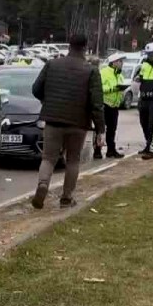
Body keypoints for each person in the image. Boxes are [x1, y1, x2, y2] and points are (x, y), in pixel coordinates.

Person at [30, 33, 105, 210]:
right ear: (85, 47)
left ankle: (42, 185)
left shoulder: (52, 64)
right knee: (73, 160)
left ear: (69, 45)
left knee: (48, 158)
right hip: (78, 123)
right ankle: (66, 197)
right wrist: (100, 129)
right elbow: (97, 103)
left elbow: (35, 89)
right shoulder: (91, 71)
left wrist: (47, 101)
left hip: (53, 120)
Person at [96, 52, 126, 159]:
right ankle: (97, 150)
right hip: (104, 104)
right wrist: (113, 89)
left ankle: (111, 150)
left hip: (114, 105)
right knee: (100, 129)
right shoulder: (104, 73)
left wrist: (121, 93)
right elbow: (100, 88)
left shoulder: (120, 75)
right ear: (113, 63)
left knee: (112, 129)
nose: (122, 63)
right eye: (120, 61)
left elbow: (121, 88)